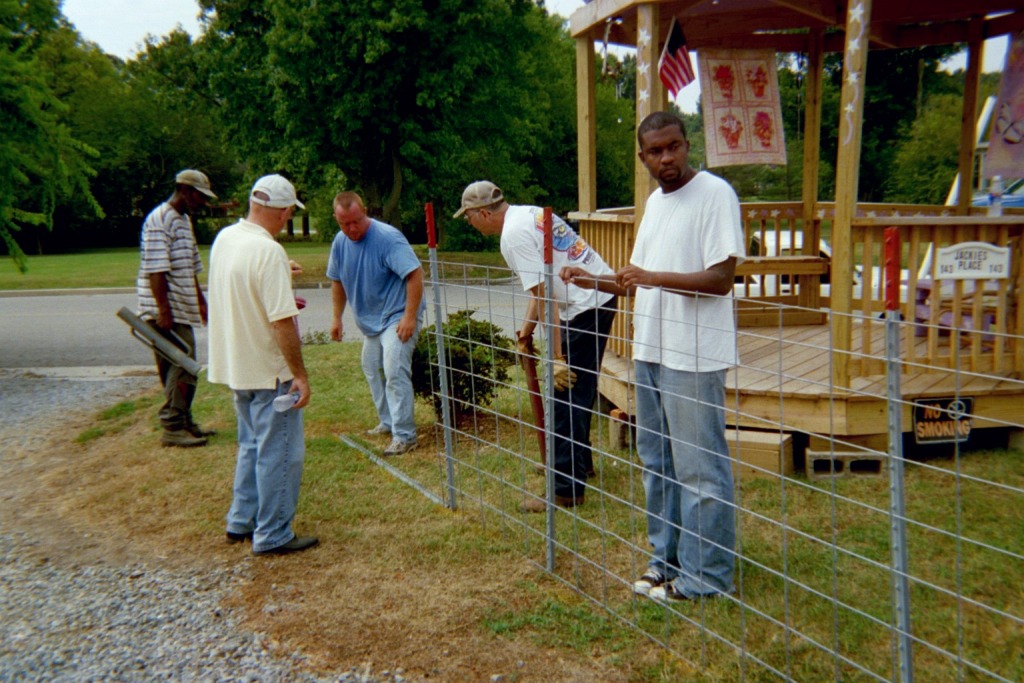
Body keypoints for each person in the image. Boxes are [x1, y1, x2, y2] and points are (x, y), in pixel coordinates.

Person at [561, 111, 744, 602]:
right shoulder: (656, 205)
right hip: (651, 351)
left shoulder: (715, 195)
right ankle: (666, 561)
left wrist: (652, 278)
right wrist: (591, 280)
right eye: (655, 151)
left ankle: (707, 577)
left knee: (700, 469)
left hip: (694, 356)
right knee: (657, 463)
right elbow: (634, 280)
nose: (666, 158)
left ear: (687, 145)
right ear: (642, 157)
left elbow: (721, 279)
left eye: (673, 146)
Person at [454, 181, 617, 511]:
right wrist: (526, 333)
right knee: (578, 390)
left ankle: (565, 489)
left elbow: (545, 297)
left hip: (585, 304)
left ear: (483, 213)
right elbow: (542, 285)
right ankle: (578, 464)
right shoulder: (526, 214)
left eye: (468, 217)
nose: (469, 223)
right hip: (598, 295)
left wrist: (557, 358)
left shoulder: (513, 236)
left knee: (564, 394)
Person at [207, 174, 318, 556]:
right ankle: (272, 534)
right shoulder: (268, 252)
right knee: (280, 453)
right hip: (270, 371)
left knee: (251, 445)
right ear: (284, 212)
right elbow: (282, 321)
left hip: (237, 365)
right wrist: (299, 375)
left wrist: (280, 269)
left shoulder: (227, 239)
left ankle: (241, 520)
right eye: (289, 214)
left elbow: (244, 280)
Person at [327, 192, 425, 456]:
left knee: (394, 369)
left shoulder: (387, 238)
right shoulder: (340, 243)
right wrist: (336, 318)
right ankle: (388, 422)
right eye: (344, 224)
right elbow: (337, 280)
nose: (351, 229)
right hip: (372, 321)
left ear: (365, 212)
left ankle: (405, 436)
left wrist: (409, 317)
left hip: (397, 315)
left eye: (356, 221)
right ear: (336, 219)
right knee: (371, 367)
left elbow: (415, 275)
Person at [136, 169, 217, 448]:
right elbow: (156, 269)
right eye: (199, 196)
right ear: (184, 190)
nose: (202, 202)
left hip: (181, 306)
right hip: (165, 309)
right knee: (183, 364)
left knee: (178, 367)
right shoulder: (159, 220)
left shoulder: (183, 220)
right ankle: (172, 425)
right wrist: (163, 310)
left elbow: (189, 267)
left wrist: (200, 301)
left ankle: (184, 421)